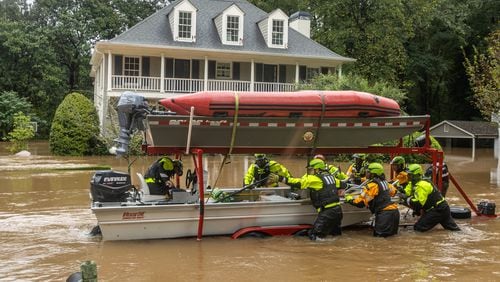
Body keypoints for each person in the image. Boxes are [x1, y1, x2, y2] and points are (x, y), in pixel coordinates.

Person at [274, 158, 343, 241]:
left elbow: (298, 183)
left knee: (315, 237)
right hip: (338, 211)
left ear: (316, 169)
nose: (311, 172)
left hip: (327, 213)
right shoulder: (331, 178)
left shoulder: (315, 179)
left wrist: (280, 178)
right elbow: (344, 185)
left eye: (311, 169)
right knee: (335, 236)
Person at [345, 162, 400, 237]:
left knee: (379, 240)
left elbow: (360, 203)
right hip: (395, 213)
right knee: (390, 239)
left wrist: (349, 199)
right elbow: (394, 192)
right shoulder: (386, 183)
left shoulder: (371, 186)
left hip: (385, 215)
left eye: (368, 171)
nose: (366, 173)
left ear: (373, 173)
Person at [402, 164, 460, 232]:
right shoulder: (413, 182)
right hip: (443, 208)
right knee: (454, 230)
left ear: (417, 175)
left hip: (437, 209)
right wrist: (399, 191)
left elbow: (418, 204)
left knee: (419, 228)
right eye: (408, 174)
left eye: (410, 175)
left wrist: (405, 199)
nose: (408, 177)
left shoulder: (422, 185)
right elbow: (406, 192)